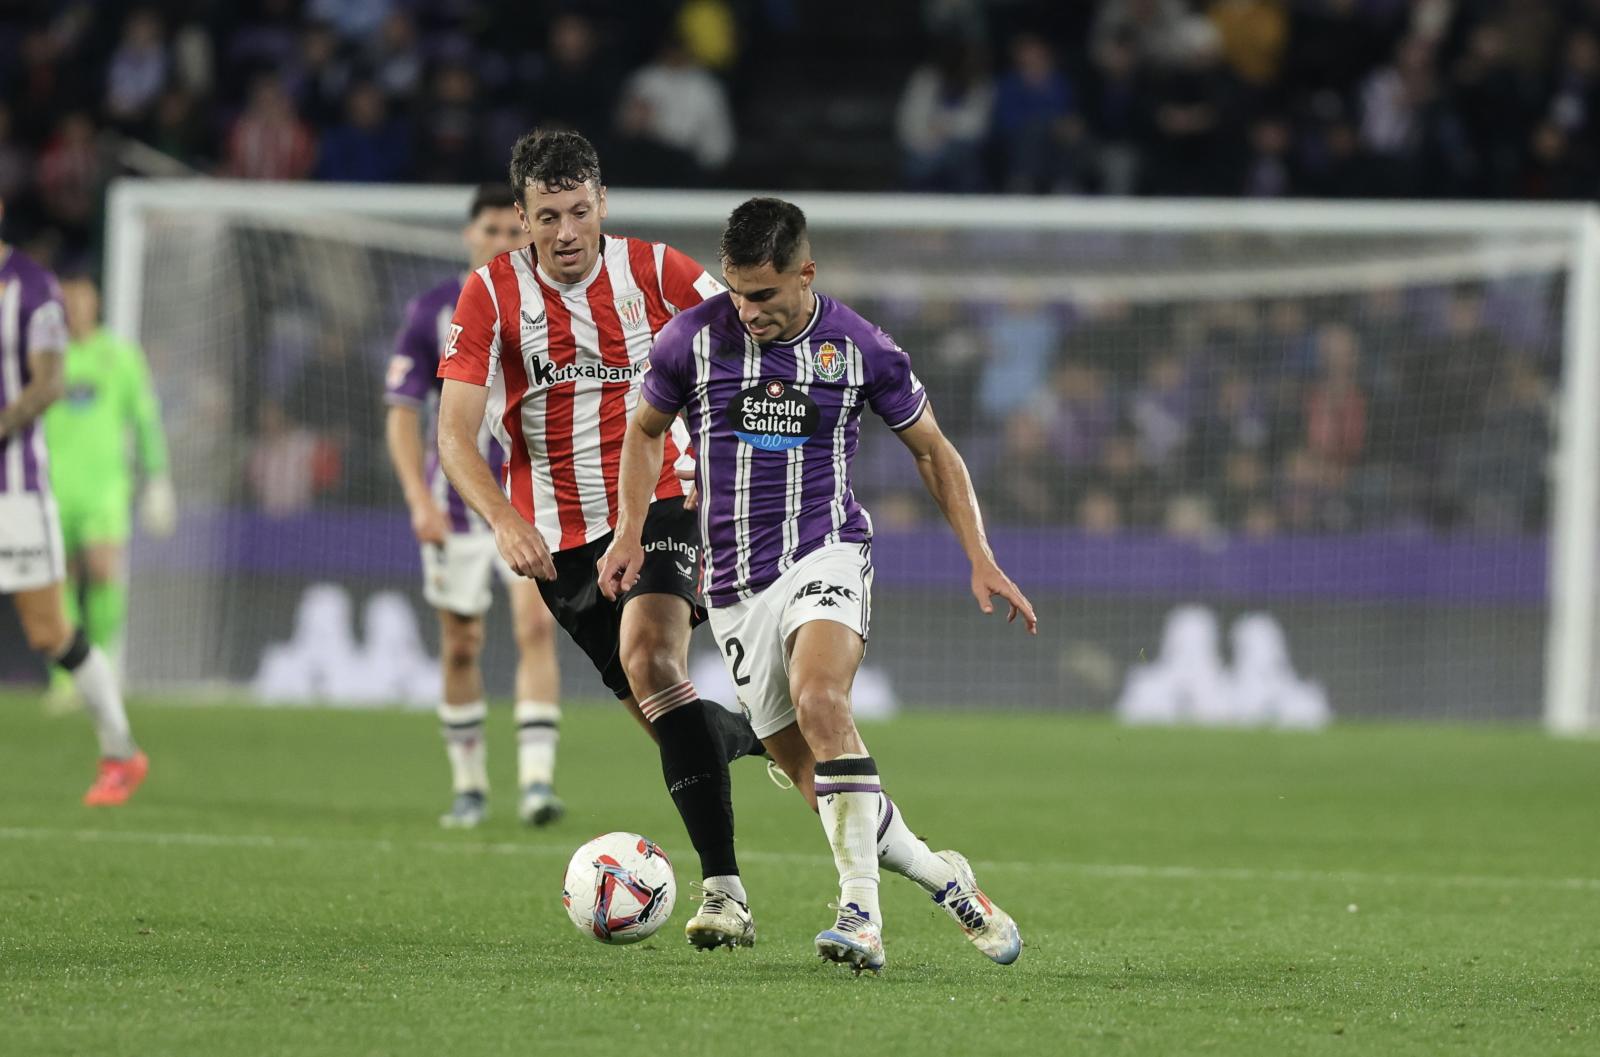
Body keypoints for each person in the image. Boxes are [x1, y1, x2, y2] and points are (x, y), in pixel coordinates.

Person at [599, 197, 1035, 974]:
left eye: (763, 295)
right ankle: (946, 878)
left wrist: (981, 554)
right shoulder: (692, 340)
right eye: (736, 291)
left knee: (822, 700)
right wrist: (631, 529)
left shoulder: (859, 346)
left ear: (806, 273)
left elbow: (934, 452)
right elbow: (644, 431)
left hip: (824, 550)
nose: (747, 310)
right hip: (731, 584)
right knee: (820, 784)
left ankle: (860, 917)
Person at [434, 130, 764, 949]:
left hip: (659, 506)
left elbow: (750, 332)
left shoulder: (656, 271)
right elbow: (453, 435)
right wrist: (505, 521)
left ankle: (725, 890)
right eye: (549, 216)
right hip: (556, 541)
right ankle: (743, 730)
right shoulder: (487, 296)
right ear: (524, 217)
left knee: (655, 659)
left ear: (603, 204)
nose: (568, 231)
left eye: (581, 210)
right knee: (671, 717)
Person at [384, 183, 564, 829]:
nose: (502, 242)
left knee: (536, 627)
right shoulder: (433, 310)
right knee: (461, 643)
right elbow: (402, 415)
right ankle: (468, 786)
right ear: (469, 235)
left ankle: (538, 784)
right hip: (455, 505)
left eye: (512, 233)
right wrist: (416, 499)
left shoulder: (553, 307)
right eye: (490, 231)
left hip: (532, 500)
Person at [0, 197, 148, 805]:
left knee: (49, 630)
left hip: (16, 489)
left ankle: (121, 752)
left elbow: (50, 382)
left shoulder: (32, 287)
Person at [42, 274, 176, 707]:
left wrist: (157, 478)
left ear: (95, 304)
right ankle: (66, 681)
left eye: (82, 300)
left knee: (102, 571)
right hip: (52, 486)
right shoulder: (44, 357)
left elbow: (144, 419)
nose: (76, 309)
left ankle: (102, 663)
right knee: (57, 581)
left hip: (105, 488)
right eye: (68, 301)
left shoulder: (119, 358)